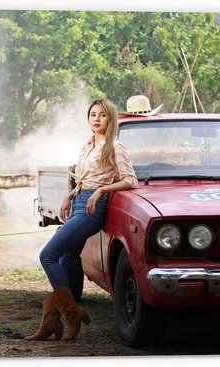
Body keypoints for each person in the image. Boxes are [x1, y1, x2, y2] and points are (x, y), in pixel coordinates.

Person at [25, 98, 138, 342]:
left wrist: (101, 191)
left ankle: (72, 313)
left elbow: (130, 180)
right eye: (92, 115)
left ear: (110, 119)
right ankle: (52, 323)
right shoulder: (87, 145)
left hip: (92, 208)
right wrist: (71, 193)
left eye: (102, 115)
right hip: (79, 200)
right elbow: (83, 179)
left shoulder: (115, 146)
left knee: (48, 255)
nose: (96, 119)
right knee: (66, 256)